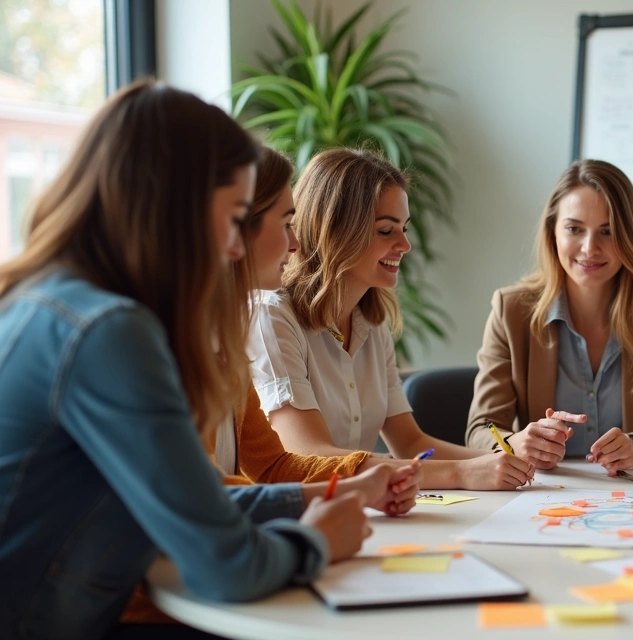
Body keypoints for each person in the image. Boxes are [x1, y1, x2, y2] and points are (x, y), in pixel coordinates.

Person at [0, 81, 372, 640]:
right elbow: (227, 565)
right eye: (234, 216)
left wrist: (310, 498)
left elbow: (192, 503)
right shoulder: (110, 333)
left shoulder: (41, 300)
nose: (234, 246)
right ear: (178, 209)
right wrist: (319, 540)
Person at [247, 148, 533, 490]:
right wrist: (461, 474)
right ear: (337, 232)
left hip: (364, 507)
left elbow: (411, 444)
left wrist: (511, 458)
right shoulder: (273, 317)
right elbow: (309, 453)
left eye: (405, 229)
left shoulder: (371, 322)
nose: (405, 245)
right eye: (386, 231)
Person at [466, 159, 633, 474]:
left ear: (629, 238)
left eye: (607, 232)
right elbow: (480, 430)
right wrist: (516, 443)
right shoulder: (511, 312)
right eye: (574, 229)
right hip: (539, 497)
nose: (590, 248)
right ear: (552, 231)